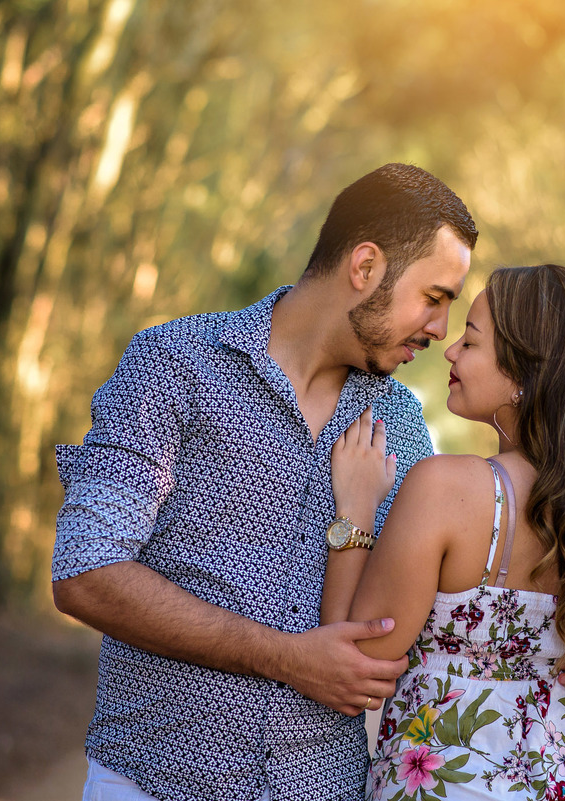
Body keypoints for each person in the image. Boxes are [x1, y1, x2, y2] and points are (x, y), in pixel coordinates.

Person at [50, 163, 477, 800]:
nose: (440, 329)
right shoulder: (174, 365)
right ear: (365, 268)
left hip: (322, 786)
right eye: (435, 297)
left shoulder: (403, 425)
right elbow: (85, 572)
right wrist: (287, 657)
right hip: (153, 781)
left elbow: (417, 619)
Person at [321, 264, 565, 800]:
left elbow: (357, 662)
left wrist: (355, 512)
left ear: (525, 375)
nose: (449, 351)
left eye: (470, 341)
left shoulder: (446, 488)